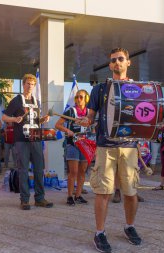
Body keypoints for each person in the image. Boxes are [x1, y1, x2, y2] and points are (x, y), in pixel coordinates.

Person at [78, 48, 142, 253]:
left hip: (129, 146)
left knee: (131, 192)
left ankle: (129, 227)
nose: (116, 63)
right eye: (113, 60)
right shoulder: (99, 89)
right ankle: (99, 232)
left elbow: (144, 116)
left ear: (128, 62)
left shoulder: (138, 88)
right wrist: (86, 120)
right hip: (106, 146)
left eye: (120, 59)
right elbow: (91, 116)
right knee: (103, 192)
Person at [2, 73, 53, 210]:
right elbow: (4, 117)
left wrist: (43, 120)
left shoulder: (36, 101)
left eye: (32, 84)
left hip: (35, 138)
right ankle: (24, 200)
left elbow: (35, 121)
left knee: (38, 169)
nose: (30, 86)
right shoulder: (17, 100)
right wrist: (14, 119)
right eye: (28, 84)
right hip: (21, 139)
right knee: (23, 170)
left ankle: (40, 198)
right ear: (23, 84)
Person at [55, 89, 90, 206]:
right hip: (72, 144)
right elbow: (57, 125)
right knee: (73, 171)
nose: (78, 99)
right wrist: (67, 130)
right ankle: (70, 196)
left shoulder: (90, 112)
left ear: (86, 99)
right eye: (77, 97)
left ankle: (78, 195)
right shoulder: (70, 111)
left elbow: (94, 125)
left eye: (81, 97)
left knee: (82, 171)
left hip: (85, 145)